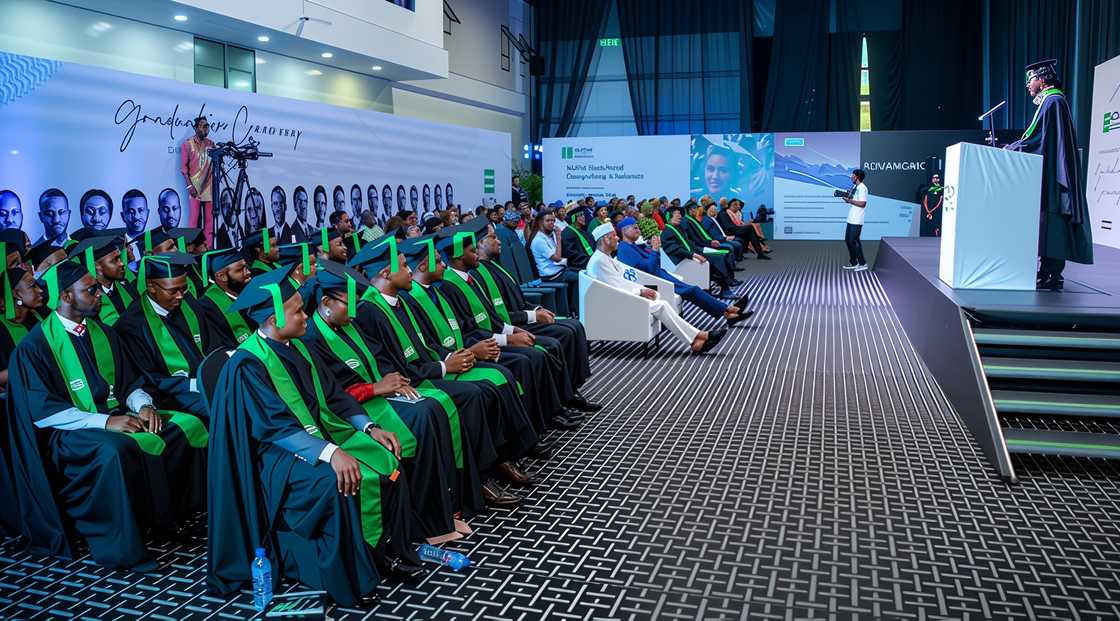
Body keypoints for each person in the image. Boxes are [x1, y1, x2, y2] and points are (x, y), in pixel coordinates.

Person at [208, 265, 422, 609]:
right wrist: (329, 453)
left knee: (387, 459)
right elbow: (274, 427)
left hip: (319, 436)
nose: (306, 316)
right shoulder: (248, 365)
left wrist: (369, 428)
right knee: (331, 481)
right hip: (278, 457)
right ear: (274, 319)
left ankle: (387, 553)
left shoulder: (299, 345)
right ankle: (349, 577)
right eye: (297, 311)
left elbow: (335, 394)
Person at [7, 260, 207, 570]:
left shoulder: (102, 332)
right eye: (91, 290)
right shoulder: (36, 347)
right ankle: (121, 548)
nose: (100, 294)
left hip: (113, 416)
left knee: (184, 426)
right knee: (115, 450)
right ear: (66, 296)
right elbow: (43, 411)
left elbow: (130, 382)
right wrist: (106, 422)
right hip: (70, 433)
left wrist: (143, 405)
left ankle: (170, 519)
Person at [348, 236, 536, 508]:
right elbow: (393, 368)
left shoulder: (399, 301)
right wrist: (444, 366)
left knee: (488, 384)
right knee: (473, 394)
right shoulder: (369, 311)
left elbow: (424, 344)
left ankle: (498, 460)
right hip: (411, 381)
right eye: (403, 266)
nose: (411, 270)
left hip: (427, 368)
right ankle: (479, 478)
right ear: (386, 272)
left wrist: (452, 357)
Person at [298, 260, 477, 540]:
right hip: (349, 412)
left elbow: (379, 358)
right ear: (325, 302)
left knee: (434, 407)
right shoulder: (311, 339)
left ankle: (446, 512)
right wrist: (374, 388)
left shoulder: (347, 325)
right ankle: (428, 524)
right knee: (422, 416)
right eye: (349, 304)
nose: (355, 312)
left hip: (375, 396)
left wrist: (393, 380)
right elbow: (327, 395)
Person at [436, 223, 585, 433]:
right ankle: (540, 421)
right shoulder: (451, 286)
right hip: (479, 345)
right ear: (460, 256)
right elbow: (470, 329)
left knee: (553, 342)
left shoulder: (471, 278)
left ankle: (560, 403)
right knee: (532, 357)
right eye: (473, 250)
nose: (478, 252)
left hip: (497, 334)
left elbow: (494, 318)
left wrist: (514, 331)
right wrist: (511, 336)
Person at [473, 224, 600, 412]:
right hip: (514, 325)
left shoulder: (495, 266)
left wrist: (538, 309)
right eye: (493, 238)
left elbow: (518, 300)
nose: (499, 241)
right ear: (480, 243)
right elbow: (500, 315)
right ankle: (562, 398)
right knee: (563, 335)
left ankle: (571, 390)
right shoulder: (478, 275)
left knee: (574, 326)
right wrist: (533, 315)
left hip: (520, 319)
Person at [1004, 59, 1094, 290]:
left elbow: (1036, 139)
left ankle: (1051, 274)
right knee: (1049, 221)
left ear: (1042, 80)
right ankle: (1048, 272)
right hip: (1052, 167)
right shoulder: (1053, 101)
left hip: (1054, 174)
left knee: (1052, 219)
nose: (1027, 85)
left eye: (1030, 80)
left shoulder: (1052, 101)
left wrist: (1011, 148)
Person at [587, 223, 725, 354]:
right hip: (612, 303)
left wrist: (642, 289)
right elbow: (616, 287)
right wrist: (640, 291)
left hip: (618, 297)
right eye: (614, 235)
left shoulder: (605, 257)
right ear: (606, 239)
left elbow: (622, 281)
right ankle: (698, 338)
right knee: (661, 305)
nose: (617, 238)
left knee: (659, 300)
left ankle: (697, 340)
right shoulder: (600, 261)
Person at [115, 253, 218, 419]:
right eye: (173, 291)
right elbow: (146, 378)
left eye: (184, 288)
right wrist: (194, 383)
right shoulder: (131, 326)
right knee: (220, 406)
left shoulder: (188, 303)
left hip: (205, 381)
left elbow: (212, 344)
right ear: (152, 287)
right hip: (168, 395)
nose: (180, 296)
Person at [616, 217, 752, 325]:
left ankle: (728, 312)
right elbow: (648, 269)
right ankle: (728, 311)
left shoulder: (634, 246)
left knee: (693, 289)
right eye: (635, 228)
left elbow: (652, 264)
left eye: (638, 227)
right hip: (654, 281)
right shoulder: (625, 249)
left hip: (660, 276)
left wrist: (653, 251)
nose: (638, 230)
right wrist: (654, 251)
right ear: (624, 231)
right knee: (693, 290)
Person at [661, 205, 736, 296]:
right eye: (677, 214)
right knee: (715, 259)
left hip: (691, 253)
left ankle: (723, 286)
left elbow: (688, 243)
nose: (681, 216)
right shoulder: (667, 232)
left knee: (718, 255)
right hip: (682, 260)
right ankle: (724, 288)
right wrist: (693, 255)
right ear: (669, 217)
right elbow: (675, 249)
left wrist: (703, 249)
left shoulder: (677, 228)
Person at [196, 246, 255, 349]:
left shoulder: (254, 292)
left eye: (247, 267)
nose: (248, 272)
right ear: (221, 276)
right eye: (241, 270)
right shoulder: (208, 308)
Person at [0, 266, 44, 390]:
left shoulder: (40, 317)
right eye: (33, 286)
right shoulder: (2, 328)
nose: (40, 290)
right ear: (16, 294)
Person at [527, 211, 580, 314]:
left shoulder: (547, 235)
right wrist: (559, 237)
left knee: (581, 271)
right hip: (551, 275)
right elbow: (557, 258)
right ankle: (576, 311)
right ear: (540, 223)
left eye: (553, 220)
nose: (551, 223)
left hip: (559, 270)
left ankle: (574, 308)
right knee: (579, 278)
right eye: (548, 220)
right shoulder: (539, 240)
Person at [181, 116, 216, 247]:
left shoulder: (211, 144)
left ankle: (209, 250)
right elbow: (184, 169)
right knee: (193, 221)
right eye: (203, 125)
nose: (206, 128)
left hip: (209, 187)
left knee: (209, 222)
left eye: (207, 125)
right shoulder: (187, 144)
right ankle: (191, 249)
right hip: (194, 187)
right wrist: (189, 185)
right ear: (196, 128)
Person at [840, 169, 869, 271]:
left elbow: (862, 204)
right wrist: (847, 196)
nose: (851, 177)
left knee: (853, 240)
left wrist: (850, 201)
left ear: (857, 177)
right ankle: (854, 262)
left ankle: (863, 264)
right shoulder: (855, 187)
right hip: (851, 218)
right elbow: (852, 199)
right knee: (849, 240)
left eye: (852, 175)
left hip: (857, 219)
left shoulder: (862, 188)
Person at [560, 207, 595, 271]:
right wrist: (589, 261)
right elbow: (571, 255)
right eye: (580, 215)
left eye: (583, 214)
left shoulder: (585, 232)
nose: (583, 217)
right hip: (577, 267)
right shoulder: (567, 233)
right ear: (573, 218)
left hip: (591, 263)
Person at [920, 173, 944, 238]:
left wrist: (933, 210)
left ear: (939, 179)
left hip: (937, 210)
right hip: (928, 210)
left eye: (936, 178)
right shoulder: (928, 189)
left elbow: (940, 200)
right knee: (927, 225)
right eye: (933, 178)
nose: (935, 179)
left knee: (936, 225)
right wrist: (928, 211)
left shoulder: (942, 189)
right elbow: (925, 199)